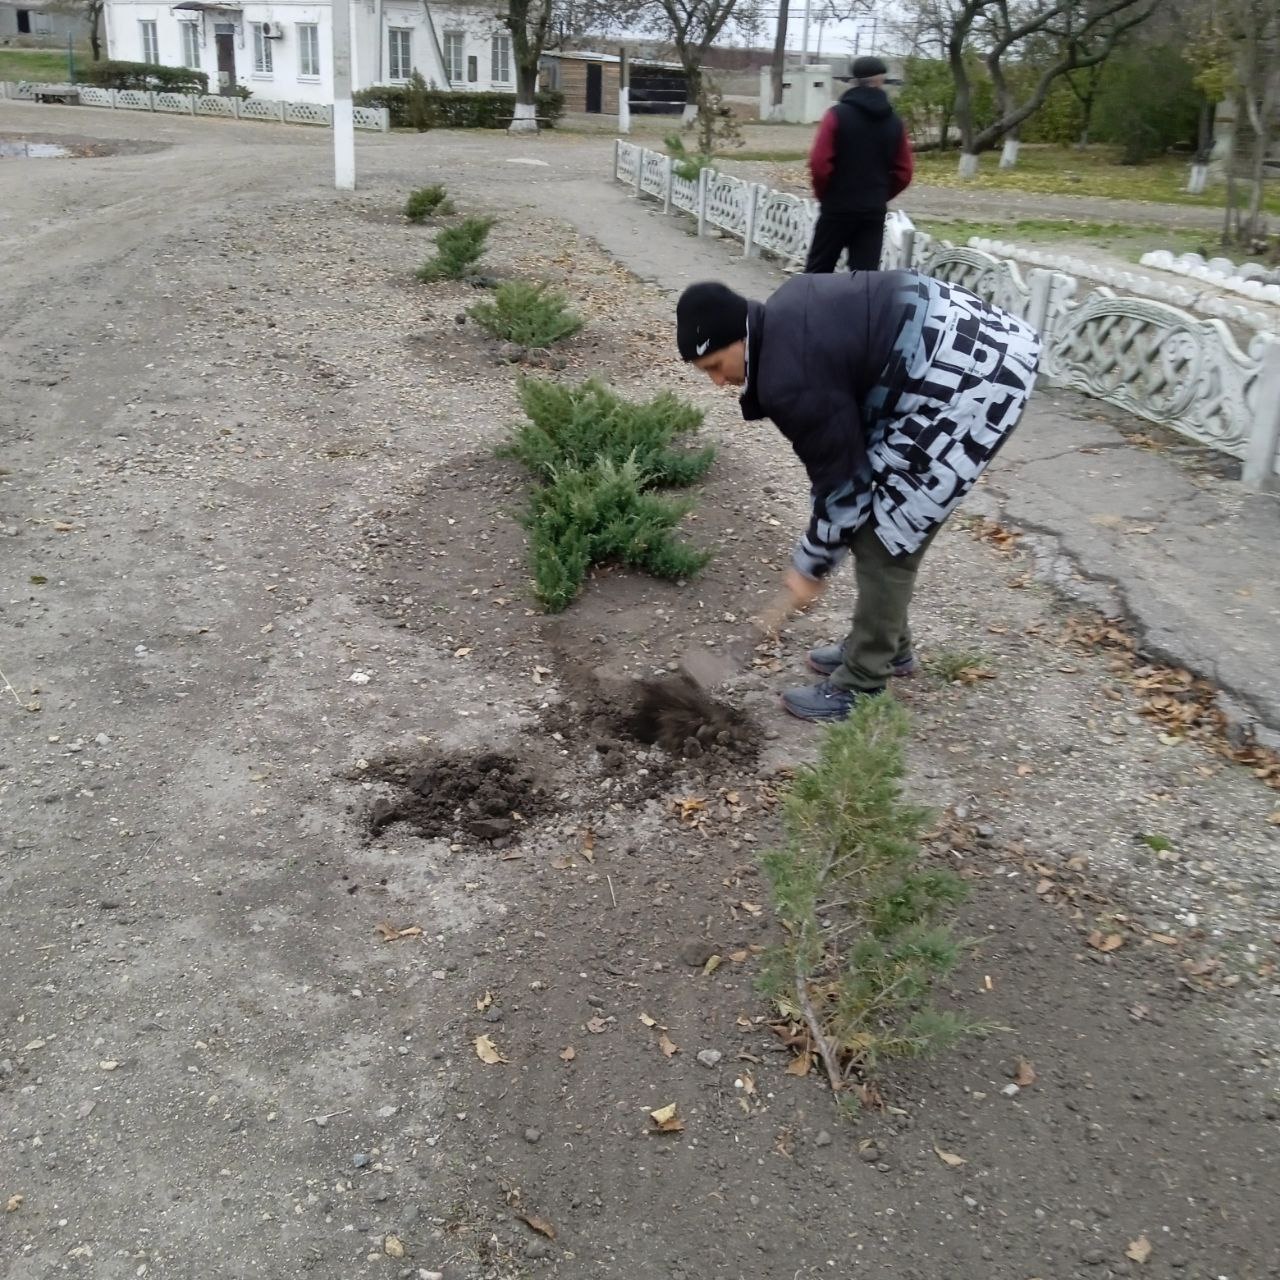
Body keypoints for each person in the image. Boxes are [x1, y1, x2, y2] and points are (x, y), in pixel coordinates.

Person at [675, 270, 1041, 723]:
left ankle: (863, 681)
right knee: (878, 515)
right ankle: (885, 644)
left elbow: (844, 485)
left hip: (974, 380)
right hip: (962, 349)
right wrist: (821, 548)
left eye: (714, 366)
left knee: (886, 535)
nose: (717, 383)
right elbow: (847, 451)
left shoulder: (788, 378)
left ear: (738, 337)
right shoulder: (781, 314)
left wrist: (811, 565)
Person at [805, 55, 913, 274]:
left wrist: (826, 194)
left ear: (854, 81)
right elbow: (905, 172)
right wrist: (879, 194)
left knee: (817, 273)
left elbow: (819, 164)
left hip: (837, 207)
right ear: (881, 82)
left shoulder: (836, 116)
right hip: (872, 211)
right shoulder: (894, 122)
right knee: (864, 280)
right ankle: (856, 310)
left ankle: (809, 309)